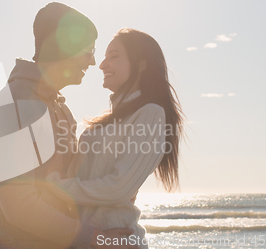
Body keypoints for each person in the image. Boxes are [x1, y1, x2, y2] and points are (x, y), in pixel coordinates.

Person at [0, 3, 140, 249]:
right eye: (88, 50)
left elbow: (67, 185)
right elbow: (19, 206)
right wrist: (99, 241)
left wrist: (112, 191)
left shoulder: (60, 109)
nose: (94, 61)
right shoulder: (14, 106)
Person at [44, 28, 185, 249]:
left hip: (117, 238)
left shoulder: (151, 113)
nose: (102, 64)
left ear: (141, 64)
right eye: (105, 57)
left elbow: (119, 188)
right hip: (92, 238)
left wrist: (55, 187)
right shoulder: (109, 121)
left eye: (114, 56)